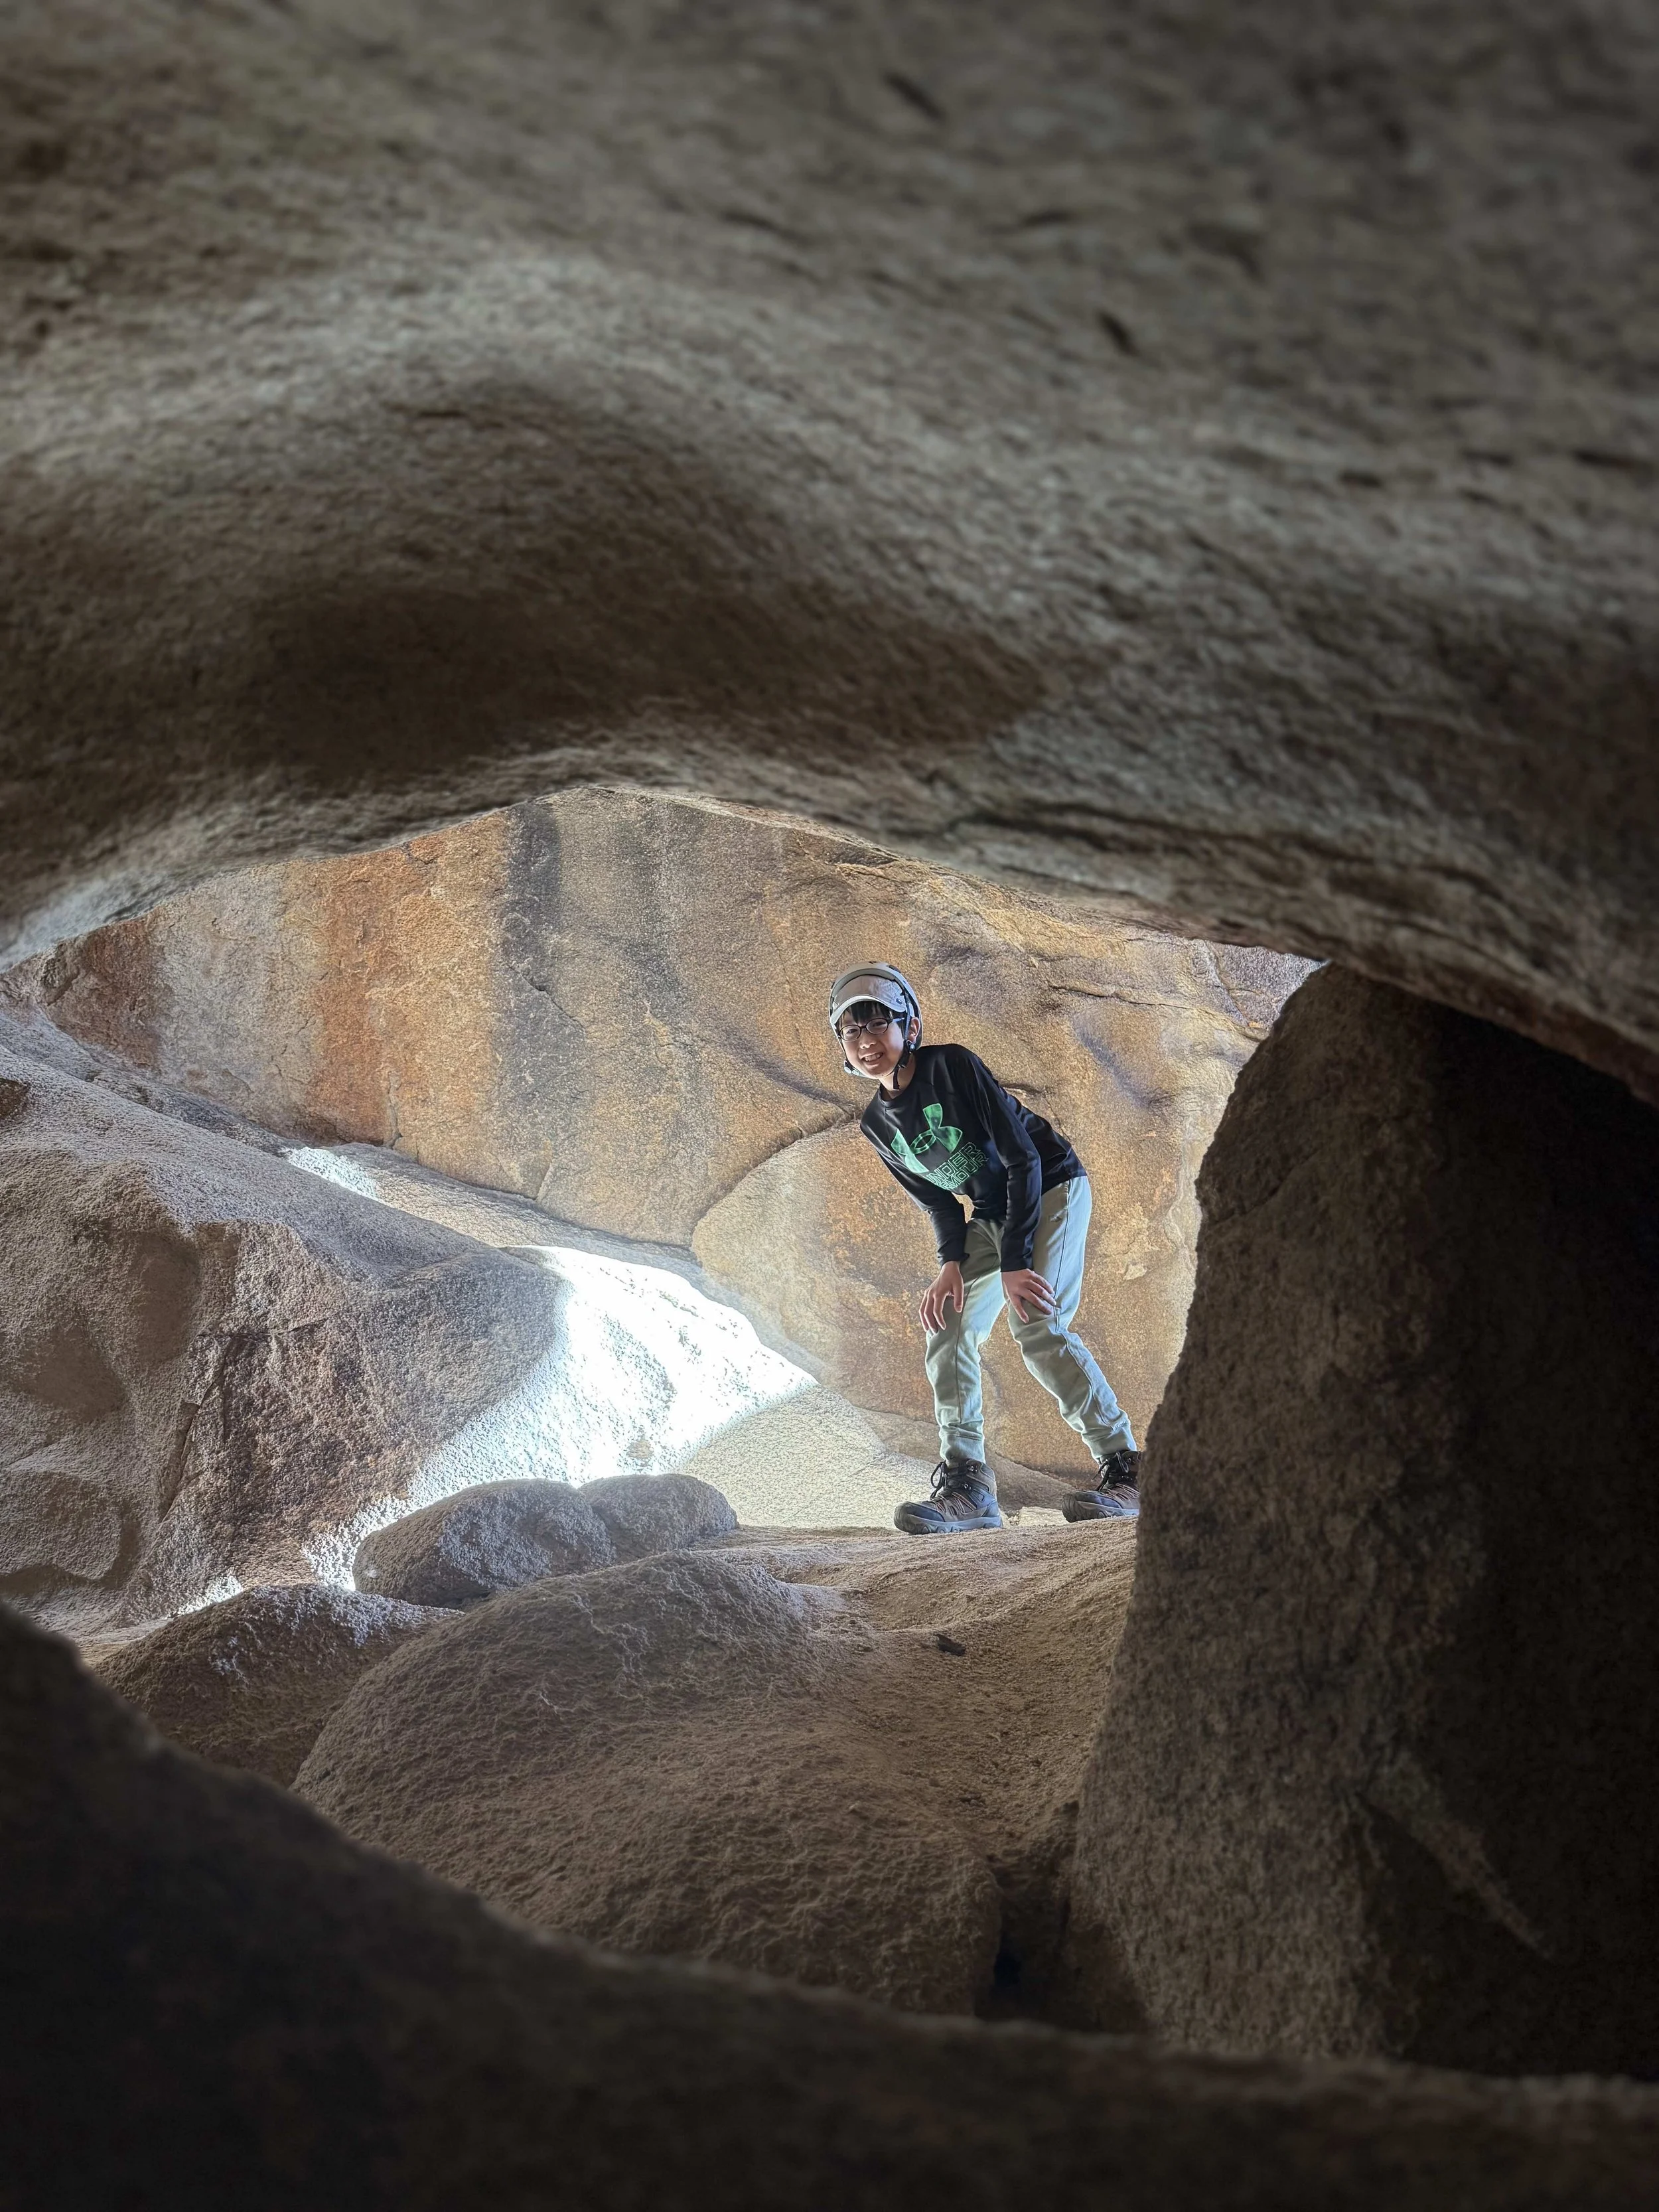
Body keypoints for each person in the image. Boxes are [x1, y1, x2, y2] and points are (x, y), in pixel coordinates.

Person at [828, 962, 1141, 1534]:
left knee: (1037, 1324)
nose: (867, 1041)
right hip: (994, 1212)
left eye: (879, 1024)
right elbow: (941, 1202)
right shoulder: (876, 1120)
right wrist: (951, 1264)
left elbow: (1023, 1158)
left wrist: (1015, 1264)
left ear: (911, 1026)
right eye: (852, 1031)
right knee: (945, 1323)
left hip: (1051, 1187)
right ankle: (969, 1486)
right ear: (843, 1047)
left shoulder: (954, 1066)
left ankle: (1129, 1469)